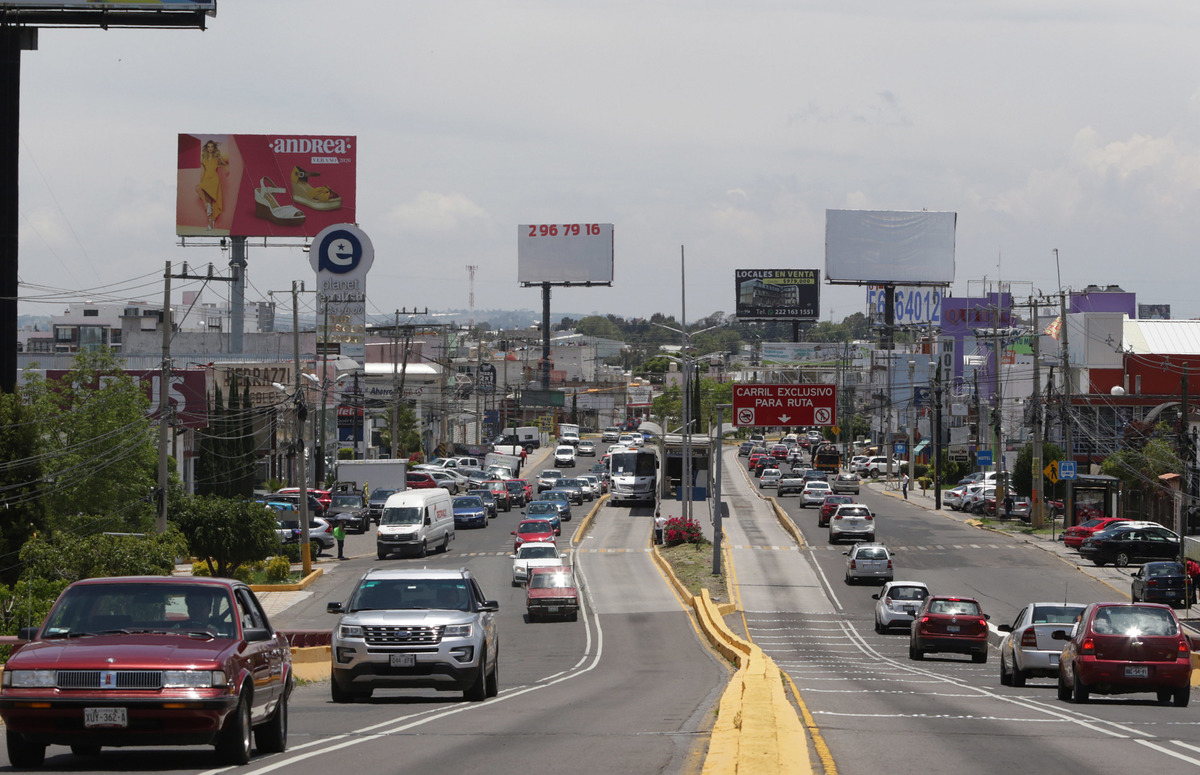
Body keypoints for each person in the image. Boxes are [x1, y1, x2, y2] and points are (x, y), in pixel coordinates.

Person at [194, 139, 228, 231]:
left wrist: (225, 168)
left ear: (214, 148)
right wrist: (202, 182)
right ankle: (208, 212)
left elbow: (225, 163)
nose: (210, 148)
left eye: (211, 147)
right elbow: (203, 172)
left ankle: (210, 222)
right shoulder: (204, 159)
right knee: (198, 188)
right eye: (208, 147)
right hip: (206, 179)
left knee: (210, 200)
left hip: (214, 180)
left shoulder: (217, 158)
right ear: (206, 148)